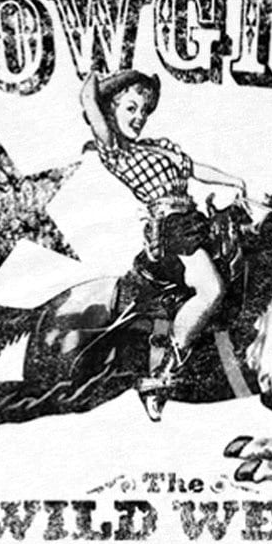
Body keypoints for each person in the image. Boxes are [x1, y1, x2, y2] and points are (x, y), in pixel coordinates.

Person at [79, 68, 242, 414]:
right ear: (111, 111)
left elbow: (193, 168)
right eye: (130, 108)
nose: (139, 117)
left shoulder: (161, 147)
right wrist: (103, 75)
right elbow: (88, 98)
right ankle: (163, 374)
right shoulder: (116, 150)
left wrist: (233, 181)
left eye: (144, 110)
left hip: (195, 221)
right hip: (171, 229)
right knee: (211, 290)